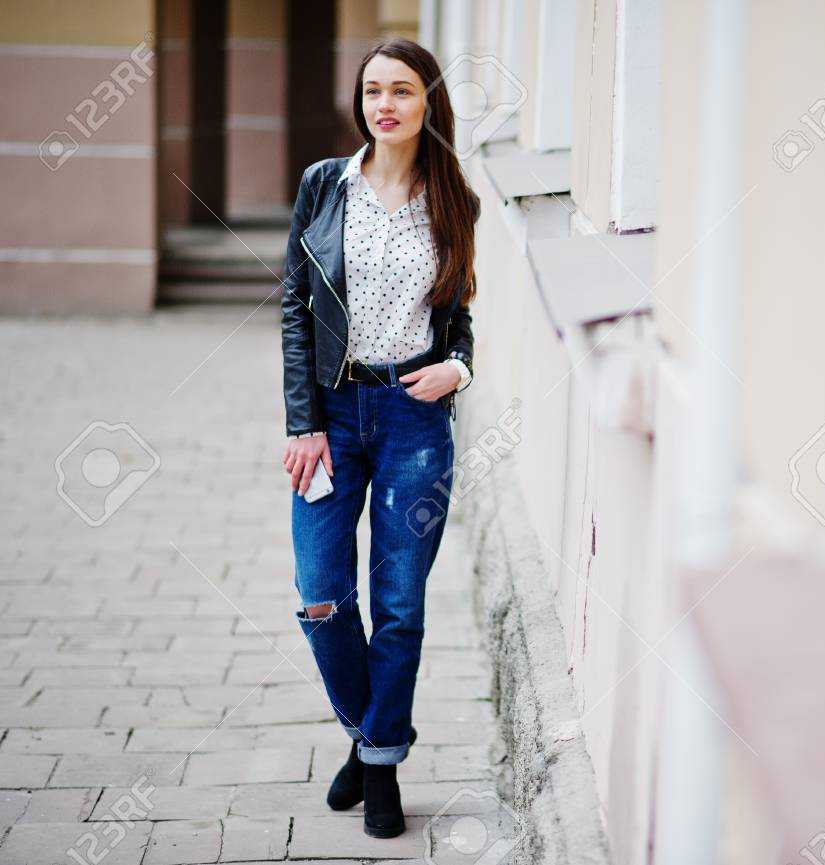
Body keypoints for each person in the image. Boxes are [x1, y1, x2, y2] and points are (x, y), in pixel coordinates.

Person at [279, 36, 480, 839]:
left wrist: (456, 371)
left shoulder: (453, 196)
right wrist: (302, 422)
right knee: (322, 594)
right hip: (332, 413)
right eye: (372, 91)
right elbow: (295, 307)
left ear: (428, 102)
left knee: (399, 605)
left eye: (401, 90)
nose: (384, 105)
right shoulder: (323, 186)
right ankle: (373, 735)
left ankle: (382, 763)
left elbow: (460, 316)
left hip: (413, 418)